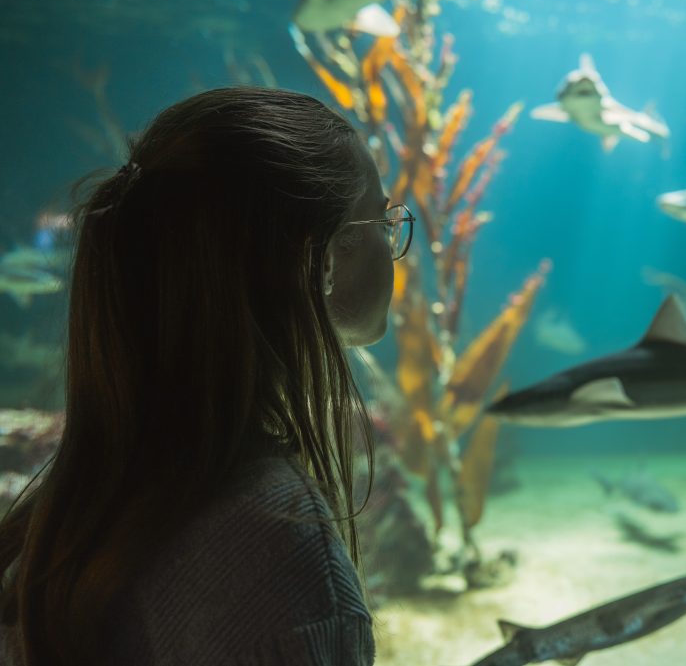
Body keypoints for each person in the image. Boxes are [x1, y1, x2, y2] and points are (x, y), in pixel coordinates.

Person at [0, 86, 415, 666]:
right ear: (320, 260)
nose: (393, 240)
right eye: (383, 219)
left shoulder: (66, 509)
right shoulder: (278, 545)